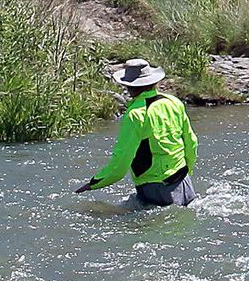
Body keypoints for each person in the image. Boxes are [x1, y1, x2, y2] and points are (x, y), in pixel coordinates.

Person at [76, 58, 197, 207]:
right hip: (184, 182)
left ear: (128, 86)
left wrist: (93, 183)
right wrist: (188, 171)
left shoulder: (135, 114)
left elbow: (120, 164)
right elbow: (191, 142)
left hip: (156, 189)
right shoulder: (173, 102)